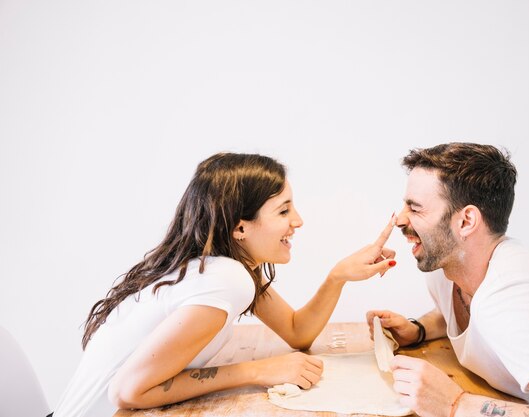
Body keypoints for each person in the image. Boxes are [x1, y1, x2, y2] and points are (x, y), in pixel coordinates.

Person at [53, 152, 397, 417]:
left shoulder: (222, 268)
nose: (298, 221)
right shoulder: (225, 279)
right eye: (283, 211)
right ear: (240, 228)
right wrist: (258, 370)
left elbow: (297, 332)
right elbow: (128, 391)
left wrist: (339, 275)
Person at [367, 143, 529, 417]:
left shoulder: (511, 301)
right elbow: (467, 315)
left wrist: (455, 405)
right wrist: (418, 329)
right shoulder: (448, 272)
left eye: (415, 209)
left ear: (466, 221)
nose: (400, 219)